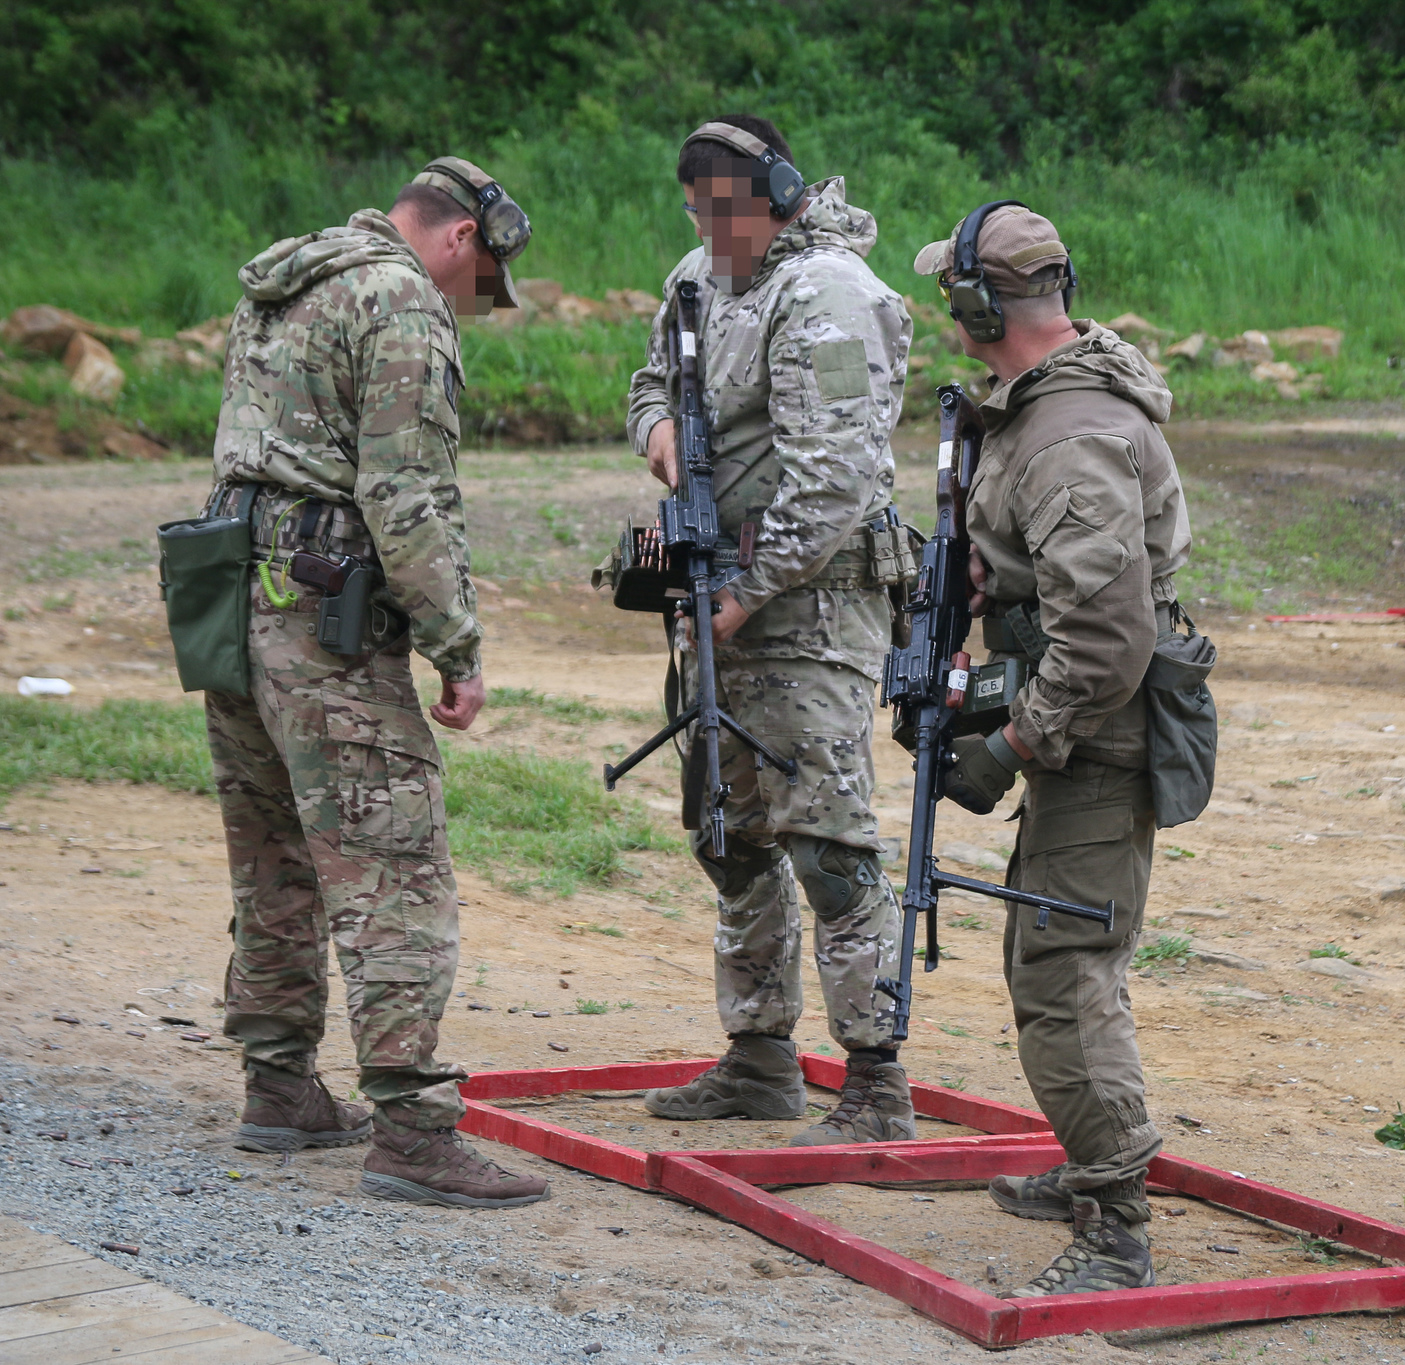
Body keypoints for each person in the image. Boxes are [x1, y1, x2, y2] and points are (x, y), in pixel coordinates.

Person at [205, 157, 549, 1208]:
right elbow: (403, 494)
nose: (467, 301)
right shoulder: (397, 294)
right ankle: (409, 1127)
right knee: (393, 863)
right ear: (460, 240)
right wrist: (459, 645)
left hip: (226, 595)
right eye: (475, 280)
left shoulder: (290, 277)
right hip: (321, 616)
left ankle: (278, 1086)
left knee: (275, 853)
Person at [911, 203, 1192, 1294]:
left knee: (1064, 963)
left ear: (985, 305)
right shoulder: (1039, 411)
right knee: (1055, 946)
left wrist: (1015, 742)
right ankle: (1090, 1168)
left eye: (955, 294)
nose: (945, 311)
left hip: (1094, 727)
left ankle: (1115, 1217)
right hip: (1081, 722)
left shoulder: (1069, 436)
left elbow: (1106, 636)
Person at [624, 115, 918, 1145]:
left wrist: (748, 591)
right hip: (723, 600)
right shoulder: (701, 282)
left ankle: (874, 1077)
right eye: (696, 216)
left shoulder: (827, 294)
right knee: (728, 831)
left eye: (724, 215)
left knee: (826, 839)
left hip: (812, 603)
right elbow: (649, 381)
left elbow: (835, 474)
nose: (710, 236)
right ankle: (758, 1056)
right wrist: (660, 434)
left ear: (780, 192)